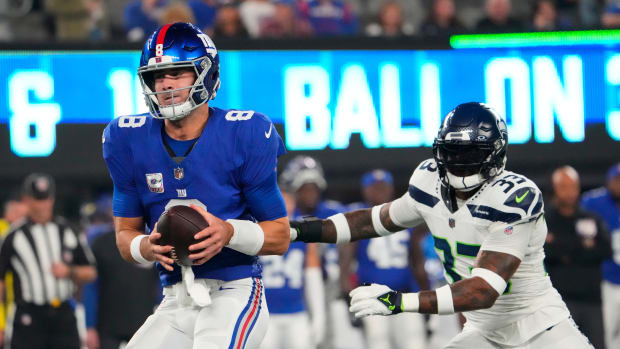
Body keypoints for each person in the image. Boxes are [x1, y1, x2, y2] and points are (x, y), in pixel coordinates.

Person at [290, 102, 593, 348]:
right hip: (484, 331)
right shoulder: (429, 181)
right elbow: (373, 220)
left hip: (540, 329)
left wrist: (399, 301)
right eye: (453, 152)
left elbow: (483, 290)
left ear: (495, 153)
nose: (459, 162)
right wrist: (301, 230)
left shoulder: (515, 197)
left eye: (470, 154)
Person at [102, 22, 290, 349]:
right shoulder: (125, 138)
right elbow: (125, 236)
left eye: (177, 73)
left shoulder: (245, 132)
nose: (165, 84)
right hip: (176, 297)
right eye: (157, 76)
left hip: (236, 289)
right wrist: (145, 247)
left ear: (206, 74)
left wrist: (229, 232)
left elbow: (279, 235)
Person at [0, 173, 97, 349]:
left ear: (52, 199)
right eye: (37, 199)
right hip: (28, 316)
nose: (42, 205)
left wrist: (69, 272)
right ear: (26, 200)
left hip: (63, 314)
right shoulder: (13, 237)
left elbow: (91, 271)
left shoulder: (68, 230)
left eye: (45, 199)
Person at [339, 169, 428, 349]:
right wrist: (350, 301)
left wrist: (426, 296)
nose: (380, 191)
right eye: (375, 187)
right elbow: (345, 267)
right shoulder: (358, 220)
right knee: (378, 342)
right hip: (372, 297)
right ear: (365, 190)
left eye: (384, 186)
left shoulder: (405, 215)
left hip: (404, 294)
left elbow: (418, 263)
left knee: (415, 342)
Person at [82, 195, 161, 349]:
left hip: (145, 320)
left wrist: (161, 311)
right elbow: (91, 285)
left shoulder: (153, 239)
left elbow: (163, 280)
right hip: (108, 324)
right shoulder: (100, 242)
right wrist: (90, 325)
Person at [544, 166, 610, 349]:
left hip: (592, 301)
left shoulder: (591, 218)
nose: (569, 192)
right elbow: (546, 253)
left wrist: (564, 249)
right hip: (560, 303)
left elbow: (605, 250)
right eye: (563, 186)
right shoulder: (546, 221)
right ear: (554, 188)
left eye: (573, 186)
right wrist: (582, 245)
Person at [259, 190, 325, 349]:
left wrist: (318, 316)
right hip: (265, 315)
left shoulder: (304, 233)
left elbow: (313, 277)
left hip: (297, 313)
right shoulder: (257, 230)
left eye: (286, 202)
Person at [581, 163, 620, 349]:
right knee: (607, 331)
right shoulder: (593, 202)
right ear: (609, 181)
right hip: (608, 280)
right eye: (617, 180)